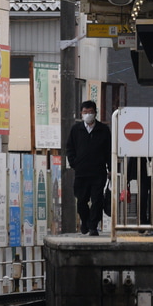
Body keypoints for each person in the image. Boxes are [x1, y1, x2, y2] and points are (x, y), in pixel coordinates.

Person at [65, 99, 111, 236]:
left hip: (98, 171)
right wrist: (74, 163)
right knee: (81, 200)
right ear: (81, 113)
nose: (88, 114)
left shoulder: (103, 130)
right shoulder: (76, 129)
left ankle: (93, 226)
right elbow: (70, 148)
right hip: (81, 172)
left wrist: (111, 168)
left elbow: (109, 150)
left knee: (97, 200)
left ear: (95, 113)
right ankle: (85, 221)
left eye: (90, 112)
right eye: (85, 112)